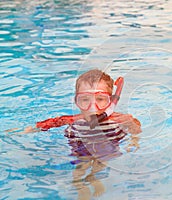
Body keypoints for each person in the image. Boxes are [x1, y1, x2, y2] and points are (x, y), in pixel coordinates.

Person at [9, 69, 141, 199]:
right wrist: (27, 130)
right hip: (81, 148)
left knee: (100, 164)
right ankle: (79, 186)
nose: (92, 106)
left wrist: (134, 140)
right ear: (76, 102)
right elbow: (53, 122)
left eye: (100, 99)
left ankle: (93, 178)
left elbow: (135, 127)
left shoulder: (119, 120)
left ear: (110, 101)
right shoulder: (75, 120)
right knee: (80, 168)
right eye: (85, 100)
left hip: (106, 149)